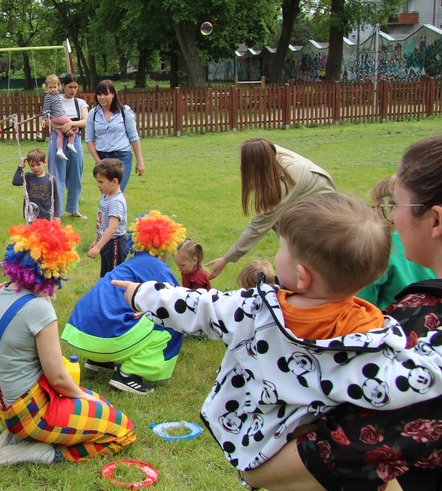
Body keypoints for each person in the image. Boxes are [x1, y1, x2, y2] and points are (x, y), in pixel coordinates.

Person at [118, 192, 442, 478]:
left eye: (282, 249)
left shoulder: (258, 310)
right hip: (304, 455)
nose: (276, 256)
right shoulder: (371, 339)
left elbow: (201, 307)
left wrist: (141, 294)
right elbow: (415, 378)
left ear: (301, 276)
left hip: (251, 440)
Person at [244, 134, 442, 491]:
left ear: (435, 221)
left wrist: (252, 466)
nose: (389, 216)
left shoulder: (420, 323)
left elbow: (341, 450)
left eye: (394, 203)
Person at [0, 218, 136, 466]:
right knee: (123, 430)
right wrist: (83, 397)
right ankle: (45, 452)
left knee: (102, 403)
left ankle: (16, 437)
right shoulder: (39, 309)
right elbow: (56, 377)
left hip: (6, 406)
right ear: (56, 266)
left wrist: (88, 398)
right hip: (31, 413)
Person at [62, 210, 186, 396]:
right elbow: (179, 302)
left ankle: (99, 361)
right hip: (106, 341)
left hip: (80, 334)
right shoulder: (157, 267)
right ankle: (129, 374)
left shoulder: (128, 265)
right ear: (166, 245)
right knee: (169, 321)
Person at [206, 138, 335, 280]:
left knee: (303, 251)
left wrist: (226, 259)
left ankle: (304, 280)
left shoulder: (283, 183)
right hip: (304, 201)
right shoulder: (270, 154)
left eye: (245, 162)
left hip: (322, 208)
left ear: (258, 164)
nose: (240, 166)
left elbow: (258, 227)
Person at [357, 175, 434, 310]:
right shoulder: (431, 239)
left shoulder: (380, 247)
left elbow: (361, 302)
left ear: (390, 208)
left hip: (393, 324)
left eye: (376, 207)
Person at [84, 79, 144, 193]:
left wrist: (140, 161)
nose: (102, 97)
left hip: (121, 157)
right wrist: (98, 161)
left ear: (113, 94)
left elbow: (134, 137)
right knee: (105, 192)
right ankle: (105, 212)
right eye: (99, 94)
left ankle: (116, 211)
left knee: (117, 192)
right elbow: (89, 139)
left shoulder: (124, 112)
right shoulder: (93, 113)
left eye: (106, 94)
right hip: (102, 158)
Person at [45, 73, 88, 219]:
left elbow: (85, 121)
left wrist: (71, 125)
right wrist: (62, 127)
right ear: (63, 86)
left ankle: (73, 209)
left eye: (75, 87)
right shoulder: (55, 98)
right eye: (70, 87)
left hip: (74, 140)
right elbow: (47, 120)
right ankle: (57, 212)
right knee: (56, 176)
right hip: (57, 138)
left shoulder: (80, 103)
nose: (73, 90)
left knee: (76, 175)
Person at [88, 159, 128, 277]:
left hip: (115, 244)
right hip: (106, 241)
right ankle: (104, 293)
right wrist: (96, 240)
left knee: (114, 276)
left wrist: (98, 247)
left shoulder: (116, 202)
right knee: (105, 275)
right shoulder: (105, 196)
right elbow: (102, 223)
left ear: (114, 181)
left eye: (101, 182)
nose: (98, 185)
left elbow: (112, 228)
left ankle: (115, 295)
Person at [12, 149, 61, 222]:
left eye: (38, 164)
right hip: (31, 214)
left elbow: (56, 197)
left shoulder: (51, 179)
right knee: (32, 233)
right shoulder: (28, 177)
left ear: (44, 162)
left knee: (44, 233)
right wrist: (20, 167)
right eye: (32, 165)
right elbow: (15, 181)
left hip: (46, 215)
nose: (35, 168)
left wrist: (57, 215)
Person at [41, 74, 77, 162]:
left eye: (54, 87)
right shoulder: (48, 97)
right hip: (58, 116)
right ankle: (71, 143)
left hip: (59, 116)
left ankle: (60, 150)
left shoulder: (58, 95)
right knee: (74, 126)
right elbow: (45, 109)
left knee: (60, 134)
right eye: (50, 87)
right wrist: (43, 119)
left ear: (59, 86)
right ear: (46, 87)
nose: (53, 89)